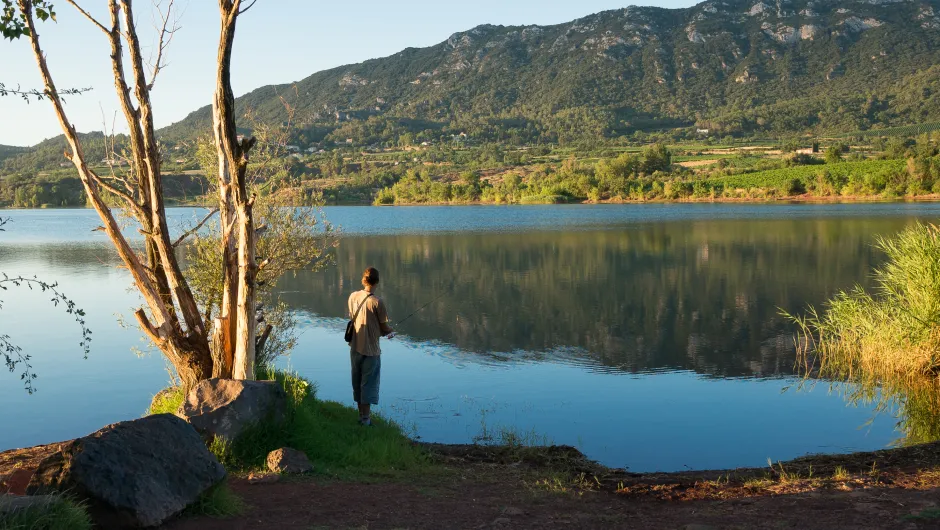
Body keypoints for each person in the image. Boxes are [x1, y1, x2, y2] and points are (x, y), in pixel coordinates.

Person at [347, 267, 395, 426]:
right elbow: (384, 327)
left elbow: (355, 318)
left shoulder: (353, 296)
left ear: (363, 280)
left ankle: (361, 415)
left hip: (354, 346)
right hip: (371, 350)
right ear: (377, 282)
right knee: (368, 383)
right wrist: (390, 332)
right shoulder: (377, 302)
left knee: (357, 380)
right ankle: (366, 421)